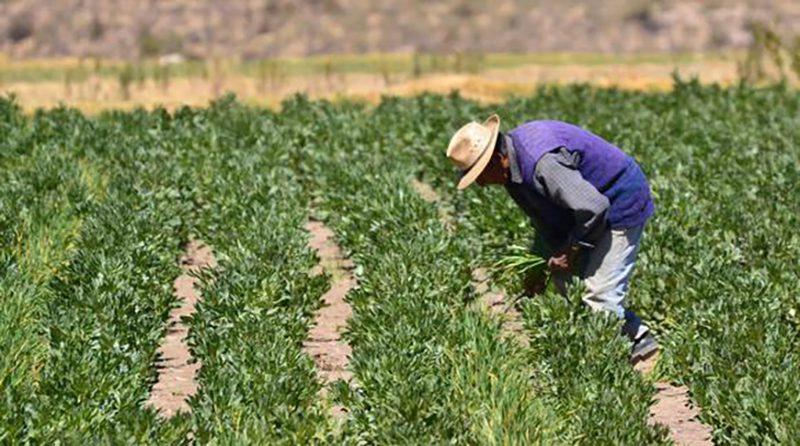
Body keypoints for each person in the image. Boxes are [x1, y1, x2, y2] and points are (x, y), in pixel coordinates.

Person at [446, 115, 658, 362]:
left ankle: (605, 366)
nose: (481, 184)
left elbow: (594, 207)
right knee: (566, 280)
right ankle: (634, 335)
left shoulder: (542, 164)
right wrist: (539, 266)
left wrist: (571, 250)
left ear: (496, 158)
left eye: (479, 174)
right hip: (585, 210)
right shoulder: (511, 171)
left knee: (600, 296)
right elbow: (545, 221)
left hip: (619, 200)